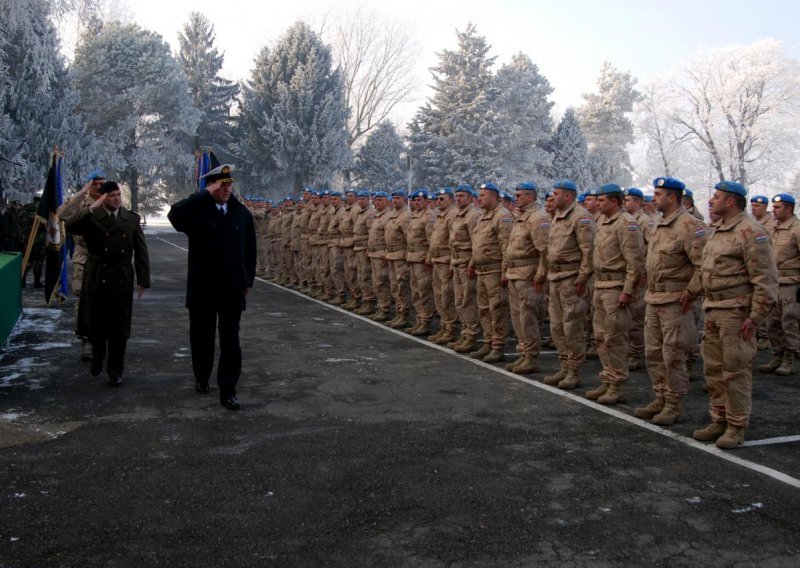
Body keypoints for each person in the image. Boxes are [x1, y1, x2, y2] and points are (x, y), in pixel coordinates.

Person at [693, 180, 777, 449]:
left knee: (735, 370)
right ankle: (719, 418)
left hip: (736, 312)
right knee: (714, 370)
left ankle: (736, 425)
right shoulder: (717, 229)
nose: (710, 200)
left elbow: (765, 278)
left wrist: (756, 316)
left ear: (730, 201)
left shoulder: (751, 231)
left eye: (716, 197)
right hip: (714, 309)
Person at [168, 164, 257, 410]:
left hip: (231, 289)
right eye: (221, 185)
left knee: (231, 340)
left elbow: (250, 250)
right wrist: (205, 194)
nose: (227, 189)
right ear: (211, 186)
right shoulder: (197, 212)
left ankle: (228, 390)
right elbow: (174, 214)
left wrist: (247, 279)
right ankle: (202, 377)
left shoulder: (241, 214)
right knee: (202, 336)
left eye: (229, 184)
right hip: (202, 288)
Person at [62, 181, 150, 386]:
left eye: (118, 194)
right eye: (111, 195)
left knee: (120, 327)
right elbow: (70, 225)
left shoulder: (131, 219)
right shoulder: (91, 217)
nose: (117, 198)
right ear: (102, 198)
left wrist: (143, 278)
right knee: (97, 323)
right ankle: (98, 355)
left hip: (121, 275)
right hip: (96, 273)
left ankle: (115, 369)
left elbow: (141, 250)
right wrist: (92, 207)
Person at [633, 177, 706, 425]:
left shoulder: (689, 226)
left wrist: (691, 292)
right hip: (654, 297)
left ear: (672, 197)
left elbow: (703, 266)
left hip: (676, 300)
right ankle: (660, 396)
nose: (654, 198)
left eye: (658, 193)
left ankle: (674, 403)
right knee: (653, 353)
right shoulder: (660, 224)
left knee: (672, 354)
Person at [583, 183, 644, 403]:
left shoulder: (627, 224)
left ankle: (617, 384)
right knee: (601, 337)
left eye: (601, 200)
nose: (597, 204)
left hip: (616, 288)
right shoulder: (604, 222)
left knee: (615, 338)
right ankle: (607, 379)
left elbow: (635, 263)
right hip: (601, 286)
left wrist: (628, 291)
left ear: (614, 202)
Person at [544, 180, 595, 387]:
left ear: (567, 196)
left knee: (572, 326)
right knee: (557, 326)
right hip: (556, 278)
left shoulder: (581, 217)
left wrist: (582, 278)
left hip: (571, 279)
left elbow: (588, 251)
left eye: (556, 194)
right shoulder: (558, 217)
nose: (552, 197)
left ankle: (574, 370)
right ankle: (564, 365)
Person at [58, 169, 106, 360]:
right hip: (84, 258)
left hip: (106, 258)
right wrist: (83, 192)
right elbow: (62, 214)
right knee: (84, 301)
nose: (99, 187)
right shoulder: (81, 203)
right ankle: (86, 340)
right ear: (89, 184)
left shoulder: (110, 200)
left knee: (105, 300)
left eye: (102, 183)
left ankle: (102, 338)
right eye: (95, 183)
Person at [504, 181, 549, 374]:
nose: (516, 198)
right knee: (517, 317)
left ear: (530, 197)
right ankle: (523, 353)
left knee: (527, 316)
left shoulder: (537, 218)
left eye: (520, 195)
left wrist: (540, 276)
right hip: (515, 273)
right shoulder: (521, 217)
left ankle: (531, 356)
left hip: (528, 273)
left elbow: (544, 250)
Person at [468, 182, 513, 363]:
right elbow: (477, 244)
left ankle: (498, 346)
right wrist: (472, 263)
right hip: (482, 271)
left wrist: (505, 272)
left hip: (495, 271)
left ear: (495, 197)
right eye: (479, 195)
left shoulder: (502, 216)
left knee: (497, 310)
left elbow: (506, 247)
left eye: (483, 195)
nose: (479, 198)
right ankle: (488, 341)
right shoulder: (483, 217)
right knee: (485, 310)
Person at [759, 194, 800, 376]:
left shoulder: (797, 229)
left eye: (777, 207)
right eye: (774, 207)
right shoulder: (772, 228)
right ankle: (777, 354)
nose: (773, 210)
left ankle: (789, 358)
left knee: (788, 321)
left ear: (789, 209)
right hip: (773, 282)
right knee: (772, 322)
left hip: (790, 283)